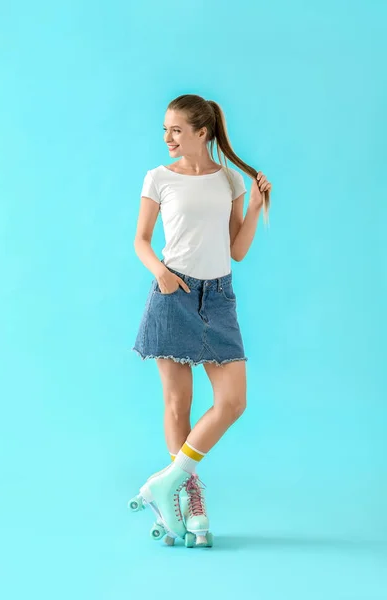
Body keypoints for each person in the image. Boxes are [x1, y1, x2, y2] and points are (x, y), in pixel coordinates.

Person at [130, 94, 272, 547]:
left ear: (202, 133)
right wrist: (161, 273)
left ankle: (167, 481)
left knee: (232, 401)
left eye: (177, 130)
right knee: (178, 405)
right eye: (166, 131)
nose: (169, 138)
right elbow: (141, 240)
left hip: (218, 299)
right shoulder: (158, 178)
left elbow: (237, 250)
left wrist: (253, 207)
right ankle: (190, 503)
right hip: (173, 294)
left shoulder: (229, 180)